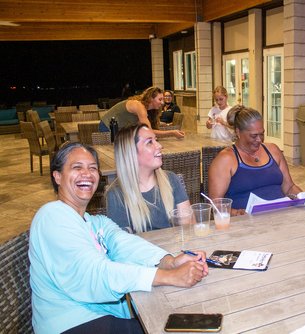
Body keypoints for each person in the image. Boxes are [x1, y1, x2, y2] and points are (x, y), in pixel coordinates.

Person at [29, 142, 208, 333]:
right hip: (72, 323)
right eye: (77, 167)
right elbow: (95, 274)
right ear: (57, 176)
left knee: (183, 322)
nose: (87, 174)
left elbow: (127, 245)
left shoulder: (95, 222)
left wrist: (169, 262)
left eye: (93, 168)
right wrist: (168, 277)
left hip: (104, 317)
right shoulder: (52, 215)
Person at [208, 105, 302, 215]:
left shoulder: (273, 150)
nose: (259, 139)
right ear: (238, 132)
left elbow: (289, 187)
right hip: (246, 223)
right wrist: (236, 213)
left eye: (262, 134)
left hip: (280, 216)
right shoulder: (225, 160)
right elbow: (215, 204)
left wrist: (304, 198)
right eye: (254, 136)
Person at [106, 124, 190, 233]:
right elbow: (122, 243)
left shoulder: (171, 179)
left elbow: (189, 226)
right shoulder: (116, 195)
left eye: (156, 140)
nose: (159, 146)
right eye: (149, 142)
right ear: (131, 152)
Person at [99, 86, 184, 139]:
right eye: (160, 99)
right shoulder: (139, 106)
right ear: (151, 99)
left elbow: (143, 127)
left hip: (120, 129)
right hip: (107, 126)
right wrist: (172, 133)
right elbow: (148, 131)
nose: (162, 102)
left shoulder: (148, 109)